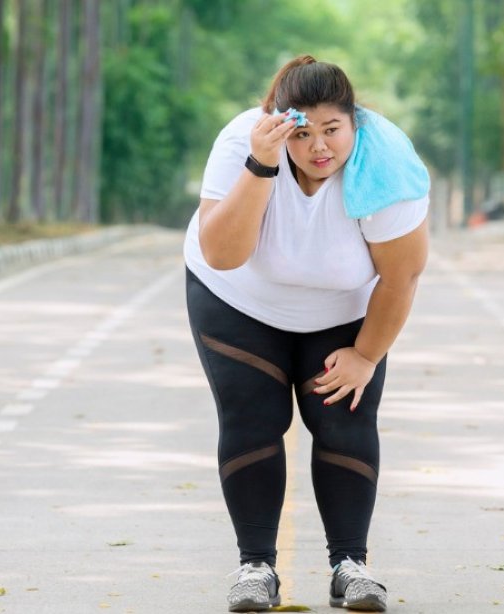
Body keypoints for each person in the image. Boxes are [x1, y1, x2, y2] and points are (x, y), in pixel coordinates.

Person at [184, 55, 429, 613]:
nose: (320, 147)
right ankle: (255, 569)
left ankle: (351, 566)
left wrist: (366, 356)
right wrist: (260, 164)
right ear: (279, 123)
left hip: (342, 309)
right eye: (303, 132)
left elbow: (403, 275)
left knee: (342, 420)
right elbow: (220, 254)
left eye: (332, 130)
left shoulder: (386, 164)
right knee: (252, 418)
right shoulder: (241, 145)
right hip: (239, 298)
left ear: (354, 123)